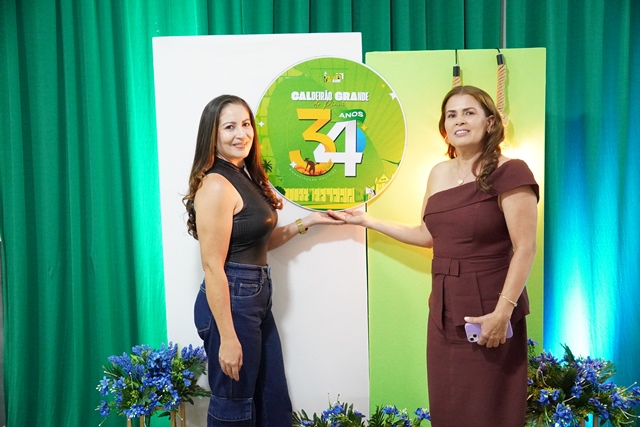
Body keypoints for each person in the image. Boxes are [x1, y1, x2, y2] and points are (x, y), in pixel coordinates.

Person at [328, 85, 539, 426]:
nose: (459, 120)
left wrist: (503, 313)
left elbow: (526, 247)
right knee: (449, 408)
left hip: (489, 310)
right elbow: (427, 235)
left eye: (469, 112)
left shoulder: (512, 171)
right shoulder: (438, 172)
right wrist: (367, 220)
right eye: (451, 115)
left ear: (490, 122)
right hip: (444, 307)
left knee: (488, 409)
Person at [183, 94, 343, 427]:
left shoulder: (242, 176)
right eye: (229, 127)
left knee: (271, 398)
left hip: (253, 297)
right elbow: (212, 266)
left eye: (246, 124)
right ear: (212, 134)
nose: (241, 134)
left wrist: (308, 222)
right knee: (234, 403)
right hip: (232, 300)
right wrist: (228, 337)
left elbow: (260, 242)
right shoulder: (216, 184)